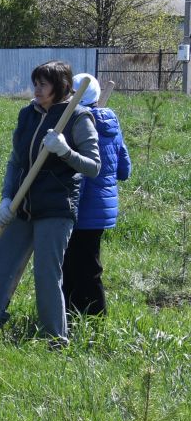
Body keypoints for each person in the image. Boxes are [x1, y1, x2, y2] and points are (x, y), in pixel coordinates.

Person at [0, 60, 101, 347]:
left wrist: (64, 150)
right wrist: (6, 197)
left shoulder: (78, 117)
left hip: (56, 208)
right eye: (35, 83)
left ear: (60, 87)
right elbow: (15, 161)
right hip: (21, 206)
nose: (36, 89)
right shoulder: (28, 115)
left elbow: (93, 166)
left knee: (46, 275)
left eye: (43, 84)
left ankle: (55, 339)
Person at [62, 73, 130, 318]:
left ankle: (85, 317)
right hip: (102, 209)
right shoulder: (111, 123)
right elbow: (124, 170)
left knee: (72, 266)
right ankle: (83, 316)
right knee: (89, 264)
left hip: (79, 206)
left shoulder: (76, 123)